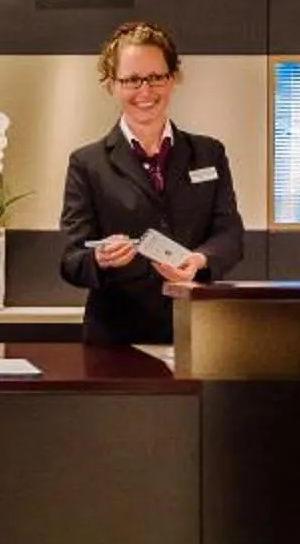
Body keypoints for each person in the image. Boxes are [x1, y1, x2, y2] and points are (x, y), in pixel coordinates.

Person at [57, 19, 246, 346]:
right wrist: (100, 259)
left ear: (173, 79)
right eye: (131, 80)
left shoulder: (209, 153)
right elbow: (72, 259)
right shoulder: (87, 163)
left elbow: (229, 236)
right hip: (115, 341)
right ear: (111, 85)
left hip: (198, 335)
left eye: (156, 77)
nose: (145, 91)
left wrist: (199, 260)